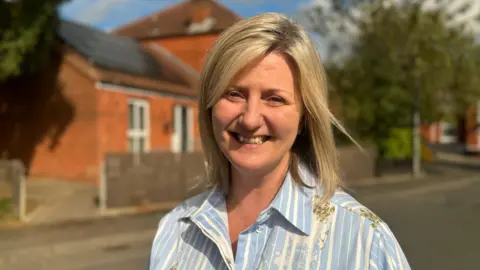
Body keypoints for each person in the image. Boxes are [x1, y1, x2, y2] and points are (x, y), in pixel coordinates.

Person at [148, 12, 410, 270]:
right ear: (210, 105)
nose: (250, 119)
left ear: (304, 117)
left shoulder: (364, 242)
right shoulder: (175, 230)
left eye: (274, 98)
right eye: (234, 94)